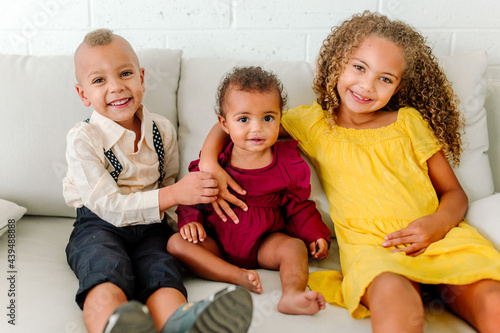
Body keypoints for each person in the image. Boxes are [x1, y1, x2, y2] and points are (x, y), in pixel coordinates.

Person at [198, 12, 500, 333]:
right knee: (397, 304)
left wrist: (436, 224)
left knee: (493, 301)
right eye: (359, 67)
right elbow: (240, 122)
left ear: (399, 85)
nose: (366, 86)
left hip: (441, 239)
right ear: (337, 62)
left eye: (385, 78)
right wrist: (208, 162)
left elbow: (454, 193)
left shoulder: (409, 123)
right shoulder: (314, 123)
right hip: (374, 250)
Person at [63, 29, 252, 333]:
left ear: (141, 78)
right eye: (99, 80)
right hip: (98, 226)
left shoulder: (162, 130)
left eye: (125, 74)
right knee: (106, 270)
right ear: (83, 93)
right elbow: (109, 205)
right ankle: (113, 324)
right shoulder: (83, 139)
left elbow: (171, 181)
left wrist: (189, 222)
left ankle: (183, 323)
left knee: (162, 272)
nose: (116, 87)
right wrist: (176, 193)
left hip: (153, 227)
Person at [167, 66, 331, 316]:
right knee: (176, 243)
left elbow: (298, 205)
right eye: (244, 119)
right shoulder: (217, 162)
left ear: (279, 118)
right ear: (224, 123)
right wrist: (190, 221)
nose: (257, 128)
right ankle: (236, 276)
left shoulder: (287, 162)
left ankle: (292, 294)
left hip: (265, 243)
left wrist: (315, 234)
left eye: (268, 118)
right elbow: (193, 194)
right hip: (218, 242)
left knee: (294, 248)